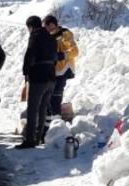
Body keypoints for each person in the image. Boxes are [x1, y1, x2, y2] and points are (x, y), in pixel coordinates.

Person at [16, 15, 56, 149]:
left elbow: (29, 54)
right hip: (51, 78)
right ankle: (38, 138)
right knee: (43, 109)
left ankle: (29, 141)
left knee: (33, 109)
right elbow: (55, 57)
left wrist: (26, 72)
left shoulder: (35, 36)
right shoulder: (51, 37)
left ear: (31, 27)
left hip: (38, 78)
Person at [43, 15, 78, 127]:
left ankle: (57, 121)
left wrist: (63, 55)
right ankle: (53, 119)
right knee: (50, 96)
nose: (45, 29)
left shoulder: (65, 34)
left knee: (56, 96)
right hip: (53, 70)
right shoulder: (49, 36)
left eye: (46, 26)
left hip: (63, 69)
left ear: (52, 24)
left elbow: (75, 51)